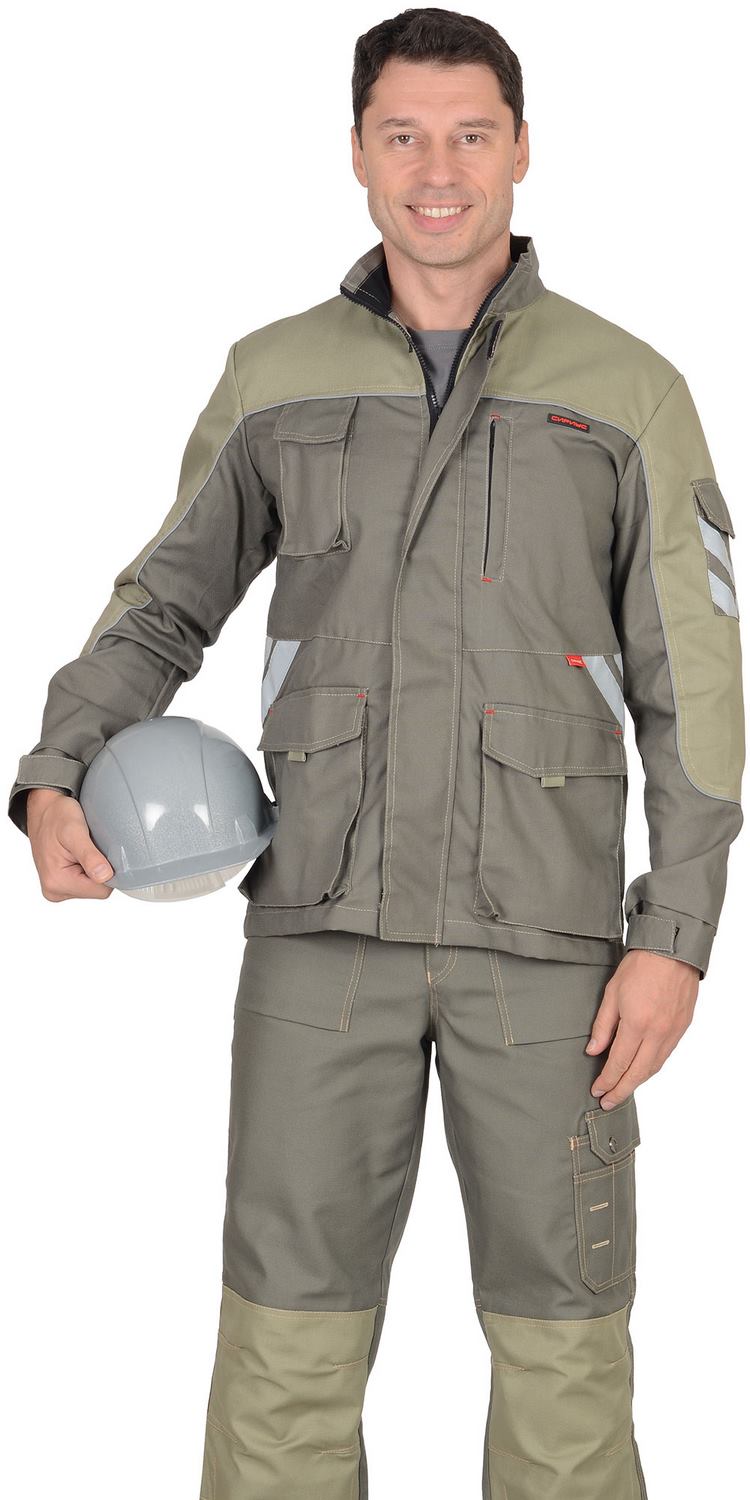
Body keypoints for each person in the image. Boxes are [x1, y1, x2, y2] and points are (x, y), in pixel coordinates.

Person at [9, 9, 744, 1499]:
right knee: (283, 1341)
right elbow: (165, 604)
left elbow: (700, 683)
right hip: (319, 928)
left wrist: (673, 936)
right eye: (402, 134)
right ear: (356, 151)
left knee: (563, 1346)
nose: (437, 169)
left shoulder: (626, 391)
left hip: (548, 949)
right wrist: (51, 769)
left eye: (471, 134)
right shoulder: (276, 374)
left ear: (523, 150)